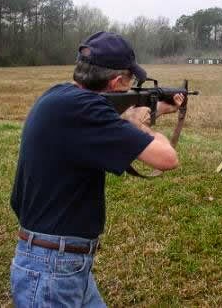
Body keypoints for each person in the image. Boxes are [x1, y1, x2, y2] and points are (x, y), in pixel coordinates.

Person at [10, 31, 183, 307]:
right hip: (52, 270)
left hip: (59, 262)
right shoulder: (88, 113)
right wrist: (140, 124)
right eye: (130, 80)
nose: (131, 86)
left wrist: (153, 110)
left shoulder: (60, 97)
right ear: (117, 82)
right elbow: (166, 158)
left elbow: (110, 123)